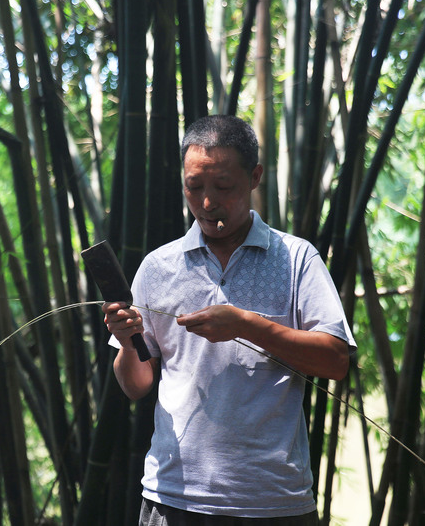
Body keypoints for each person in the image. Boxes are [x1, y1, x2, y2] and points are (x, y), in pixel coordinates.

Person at [103, 115, 356, 525]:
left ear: (254, 176)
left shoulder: (296, 259)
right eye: (194, 187)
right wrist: (127, 340)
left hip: (274, 502)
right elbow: (136, 385)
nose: (207, 202)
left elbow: (335, 361)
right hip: (173, 498)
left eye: (223, 187)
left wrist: (246, 325)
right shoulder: (158, 267)